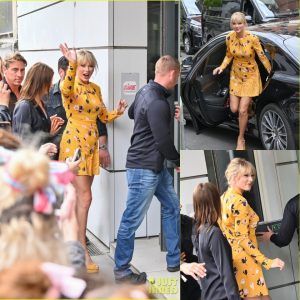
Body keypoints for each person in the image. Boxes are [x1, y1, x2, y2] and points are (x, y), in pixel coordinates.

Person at [58, 43, 127, 273]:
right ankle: (81, 247)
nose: (86, 69)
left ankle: (73, 244)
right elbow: (66, 89)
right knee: (85, 198)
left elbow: (103, 115)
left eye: (90, 66)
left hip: (91, 148)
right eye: (83, 65)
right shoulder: (70, 85)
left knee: (80, 199)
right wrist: (71, 62)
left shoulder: (95, 89)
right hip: (74, 147)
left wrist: (118, 111)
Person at [114, 55, 180, 284]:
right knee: (130, 221)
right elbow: (162, 141)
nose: (177, 80)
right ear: (172, 74)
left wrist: (167, 115)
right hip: (144, 169)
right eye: (178, 76)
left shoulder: (144, 92)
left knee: (172, 206)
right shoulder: (158, 102)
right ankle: (122, 271)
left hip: (154, 167)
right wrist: (177, 159)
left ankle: (174, 259)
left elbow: (133, 113)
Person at [219, 158, 285, 299]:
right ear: (234, 177)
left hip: (236, 259)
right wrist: (268, 261)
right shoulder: (240, 202)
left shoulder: (223, 198)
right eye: (246, 175)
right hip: (246, 261)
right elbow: (242, 238)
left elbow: (228, 232)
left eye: (252, 175)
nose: (250, 179)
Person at [213, 12, 271, 150]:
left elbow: (262, 57)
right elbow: (228, 56)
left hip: (251, 75)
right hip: (236, 75)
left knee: (242, 110)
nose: (237, 26)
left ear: (244, 24)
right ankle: (250, 106)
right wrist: (221, 67)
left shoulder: (253, 38)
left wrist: (270, 72)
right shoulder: (229, 38)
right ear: (231, 24)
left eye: (240, 23)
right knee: (234, 109)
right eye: (234, 23)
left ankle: (241, 138)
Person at [45, 56, 111, 165]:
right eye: (72, 71)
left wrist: (102, 147)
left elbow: (99, 119)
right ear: (61, 72)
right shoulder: (48, 94)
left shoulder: (89, 91)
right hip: (54, 151)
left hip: (82, 148)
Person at [193, 182, 240, 300]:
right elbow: (226, 273)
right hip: (222, 295)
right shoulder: (214, 233)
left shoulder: (199, 231)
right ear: (216, 203)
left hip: (209, 295)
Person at [12, 62, 64, 146]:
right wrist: (50, 134)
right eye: (49, 81)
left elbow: (35, 128)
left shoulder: (41, 103)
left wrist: (47, 121)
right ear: (41, 82)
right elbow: (23, 141)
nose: (51, 84)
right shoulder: (24, 106)